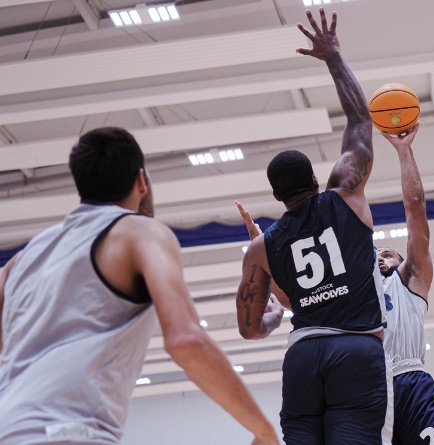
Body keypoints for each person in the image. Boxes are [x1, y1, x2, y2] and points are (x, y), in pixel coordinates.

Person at [0, 127, 279, 445]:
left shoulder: (19, 261)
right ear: (142, 181)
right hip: (71, 431)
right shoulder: (140, 232)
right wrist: (263, 431)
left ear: (80, 188)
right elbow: (186, 341)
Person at [234, 8, 391, 445]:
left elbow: (249, 329)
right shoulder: (346, 194)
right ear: (315, 180)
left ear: (276, 195)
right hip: (356, 349)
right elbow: (361, 122)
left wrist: (273, 316)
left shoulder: (261, 247)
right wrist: (333, 58)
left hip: (302, 354)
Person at [375, 125, 434, 445]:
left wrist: (403, 151)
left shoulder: (410, 281)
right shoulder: (354, 294)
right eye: (374, 256)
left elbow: (416, 213)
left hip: (409, 381)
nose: (380, 259)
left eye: (387, 254)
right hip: (368, 388)